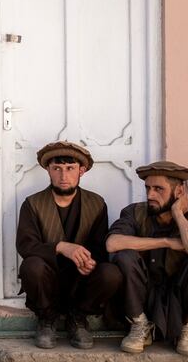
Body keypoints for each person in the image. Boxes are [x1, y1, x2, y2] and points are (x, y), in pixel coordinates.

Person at [107, 161, 188, 356]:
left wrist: (178, 214)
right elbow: (112, 243)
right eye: (148, 188)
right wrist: (167, 242)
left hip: (179, 295)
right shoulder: (135, 213)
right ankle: (139, 325)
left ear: (179, 191)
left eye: (158, 189)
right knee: (124, 256)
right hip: (143, 293)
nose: (150, 195)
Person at [16, 141, 121, 349]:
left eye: (70, 168)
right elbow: (26, 245)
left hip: (80, 280)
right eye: (57, 168)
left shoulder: (96, 203)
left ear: (81, 171)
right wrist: (61, 247)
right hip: (48, 278)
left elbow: (100, 247)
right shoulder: (32, 203)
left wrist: (90, 262)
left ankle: (78, 318)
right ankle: (47, 319)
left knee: (111, 273)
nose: (63, 176)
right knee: (31, 266)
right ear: (48, 170)